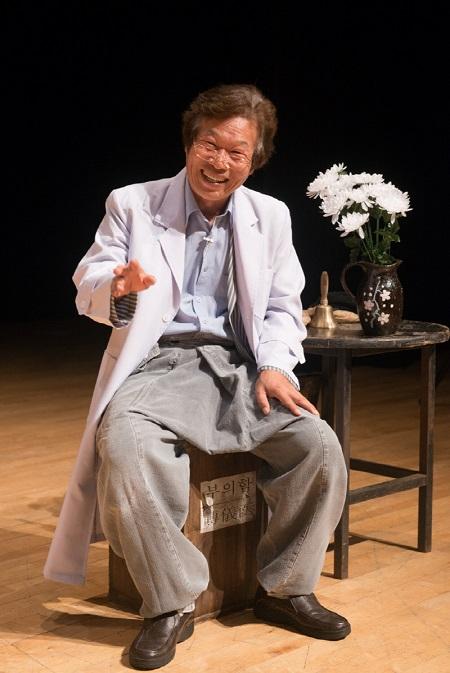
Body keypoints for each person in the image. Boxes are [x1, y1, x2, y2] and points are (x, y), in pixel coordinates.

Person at [44, 83, 350, 670]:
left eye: (237, 152)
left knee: (317, 447)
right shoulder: (133, 203)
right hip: (157, 362)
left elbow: (283, 306)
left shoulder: (270, 215)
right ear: (189, 143)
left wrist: (274, 367)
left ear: (254, 161)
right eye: (210, 145)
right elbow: (90, 285)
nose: (220, 162)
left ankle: (287, 588)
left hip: (238, 366)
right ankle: (170, 602)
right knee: (125, 448)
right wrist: (119, 289)